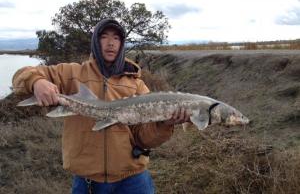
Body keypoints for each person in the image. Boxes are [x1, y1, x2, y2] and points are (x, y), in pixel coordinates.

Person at [12, 18, 190, 194]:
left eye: (116, 38)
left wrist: (165, 124)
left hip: (133, 179)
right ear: (96, 42)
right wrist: (36, 82)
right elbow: (21, 75)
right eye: (104, 37)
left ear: (121, 44)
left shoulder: (137, 84)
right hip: (87, 180)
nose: (111, 43)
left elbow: (144, 139)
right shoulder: (72, 72)